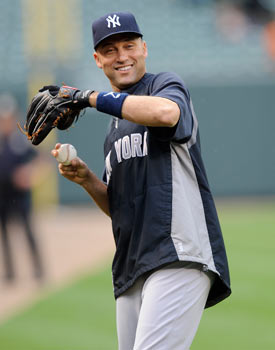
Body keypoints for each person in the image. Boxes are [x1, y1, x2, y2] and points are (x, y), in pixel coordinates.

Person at [51, 12, 231, 350]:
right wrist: (89, 181)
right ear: (97, 59)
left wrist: (87, 97)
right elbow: (119, 206)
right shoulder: (114, 129)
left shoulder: (165, 85)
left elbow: (166, 114)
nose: (122, 56)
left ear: (144, 48)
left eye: (129, 45)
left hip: (177, 253)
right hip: (132, 265)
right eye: (110, 50)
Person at [0, 94, 44, 282]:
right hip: (2, 194)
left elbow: (41, 160)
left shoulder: (20, 140)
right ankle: (10, 273)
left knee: (28, 231)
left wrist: (29, 174)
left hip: (19, 195)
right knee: (5, 235)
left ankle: (38, 269)